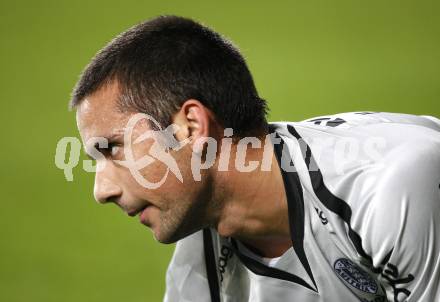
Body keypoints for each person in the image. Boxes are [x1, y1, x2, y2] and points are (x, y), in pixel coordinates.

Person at [70, 15, 440, 302]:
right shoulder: (200, 258)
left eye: (112, 147)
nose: (101, 191)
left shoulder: (391, 186)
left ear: (191, 127)